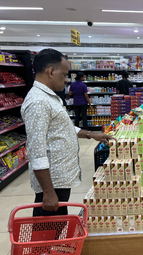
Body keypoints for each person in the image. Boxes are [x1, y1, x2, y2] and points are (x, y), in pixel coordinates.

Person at [21, 48, 112, 216]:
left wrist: (91, 135)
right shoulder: (38, 102)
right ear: (51, 72)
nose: (66, 79)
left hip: (59, 180)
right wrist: (48, 192)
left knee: (58, 226)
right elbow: (36, 150)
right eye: (64, 75)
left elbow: (63, 127)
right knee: (48, 230)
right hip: (52, 183)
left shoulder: (49, 97)